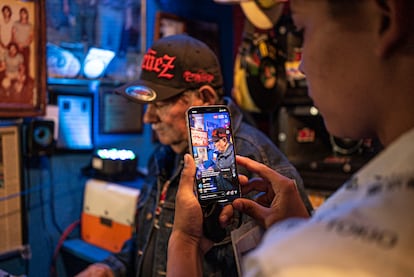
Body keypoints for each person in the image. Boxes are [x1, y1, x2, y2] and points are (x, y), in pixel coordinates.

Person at [168, 0, 414, 276]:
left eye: (302, 31)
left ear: (385, 19)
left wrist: (184, 242)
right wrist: (300, 226)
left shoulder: (304, 264)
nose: (303, 66)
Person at [76, 34, 311, 276]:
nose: (148, 118)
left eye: (159, 104)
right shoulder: (165, 154)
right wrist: (110, 268)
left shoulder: (257, 163)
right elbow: (147, 241)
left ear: (206, 98)